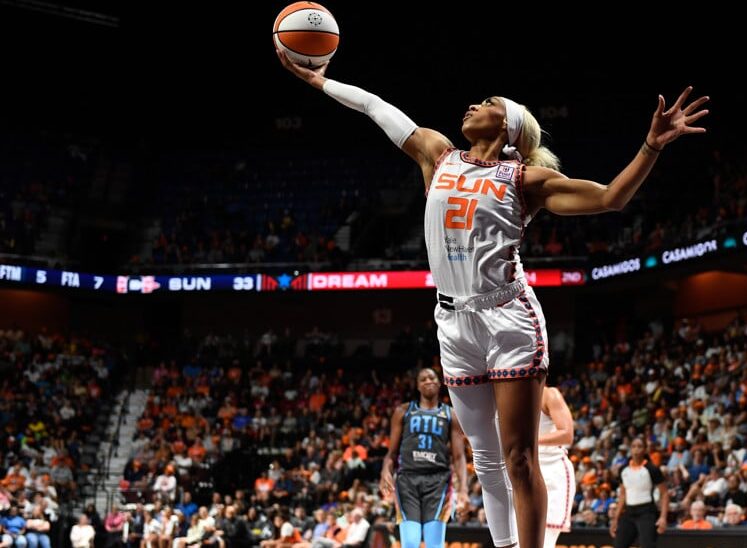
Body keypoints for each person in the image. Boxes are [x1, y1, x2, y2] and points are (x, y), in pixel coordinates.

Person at [278, 40, 708, 548]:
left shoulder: (525, 178)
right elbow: (375, 107)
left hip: (509, 317)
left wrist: (651, 146)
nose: (474, 105)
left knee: (519, 458)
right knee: (485, 459)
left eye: (488, 103)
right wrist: (320, 80)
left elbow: (612, 198)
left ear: (507, 127)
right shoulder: (437, 154)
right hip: (452, 322)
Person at [380, 368, 469, 548]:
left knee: (434, 544)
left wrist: (464, 490)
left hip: (439, 482)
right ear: (418, 386)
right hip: (407, 481)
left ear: (439, 382)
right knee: (411, 543)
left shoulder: (450, 414)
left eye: (432, 377)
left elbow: (459, 457)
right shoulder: (402, 411)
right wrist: (385, 471)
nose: (428, 380)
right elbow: (391, 453)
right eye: (423, 379)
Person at [610, 438, 669, 548]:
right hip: (629, 512)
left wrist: (663, 517)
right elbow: (623, 494)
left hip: (646, 512)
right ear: (630, 449)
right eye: (633, 446)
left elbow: (664, 493)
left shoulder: (652, 469)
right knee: (618, 544)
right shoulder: (623, 470)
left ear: (645, 450)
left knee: (647, 545)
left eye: (639, 446)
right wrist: (616, 518)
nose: (636, 449)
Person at [538, 386, 575, 548]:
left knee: (544, 541)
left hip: (551, 470)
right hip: (523, 470)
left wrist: (530, 441)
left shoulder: (549, 394)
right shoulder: (506, 395)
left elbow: (567, 434)